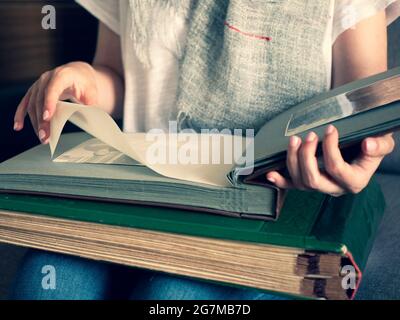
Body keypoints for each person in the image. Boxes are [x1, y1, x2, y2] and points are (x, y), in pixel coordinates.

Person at [10, 0, 400, 300]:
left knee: (170, 296)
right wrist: (86, 80)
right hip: (143, 192)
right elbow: (116, 74)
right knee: (43, 284)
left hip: (277, 206)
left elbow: (359, 110)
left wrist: (358, 157)